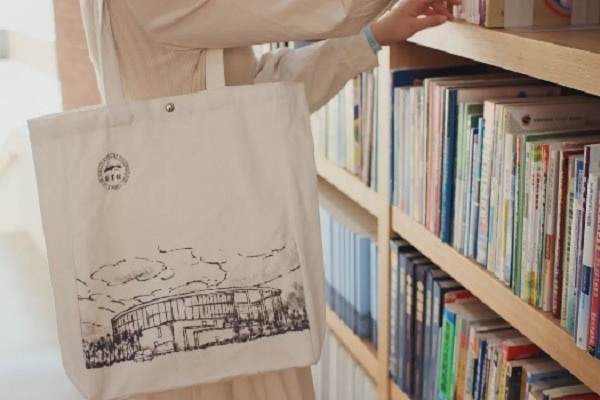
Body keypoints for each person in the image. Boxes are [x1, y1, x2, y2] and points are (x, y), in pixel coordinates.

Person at [80, 0, 459, 399]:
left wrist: (371, 38)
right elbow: (332, 9)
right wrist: (362, 30)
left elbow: (255, 92)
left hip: (224, 248)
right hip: (209, 256)